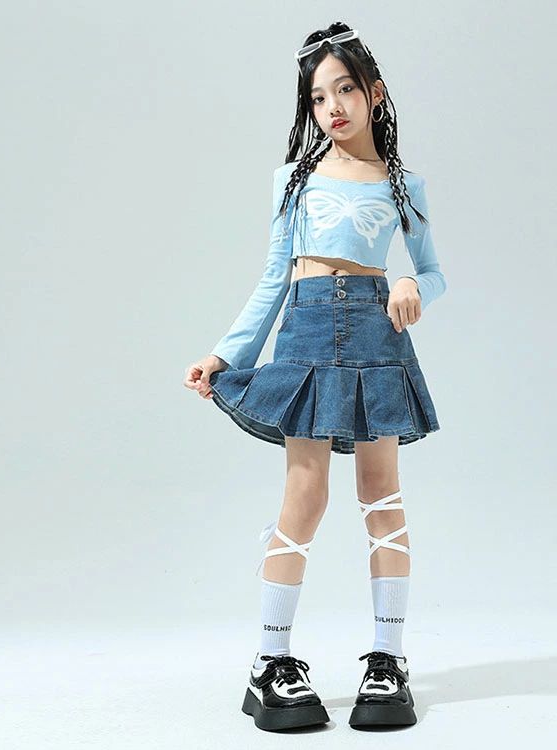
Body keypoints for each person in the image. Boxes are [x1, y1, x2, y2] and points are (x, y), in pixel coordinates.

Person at [183, 22, 446, 732]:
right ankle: (271, 662)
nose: (332, 107)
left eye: (346, 89)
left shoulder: (403, 185)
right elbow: (273, 278)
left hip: (376, 334)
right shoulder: (293, 181)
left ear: (374, 93)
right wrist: (225, 355)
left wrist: (409, 285)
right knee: (305, 493)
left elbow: (433, 271)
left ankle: (388, 660)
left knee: (382, 493)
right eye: (318, 96)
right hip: (303, 328)